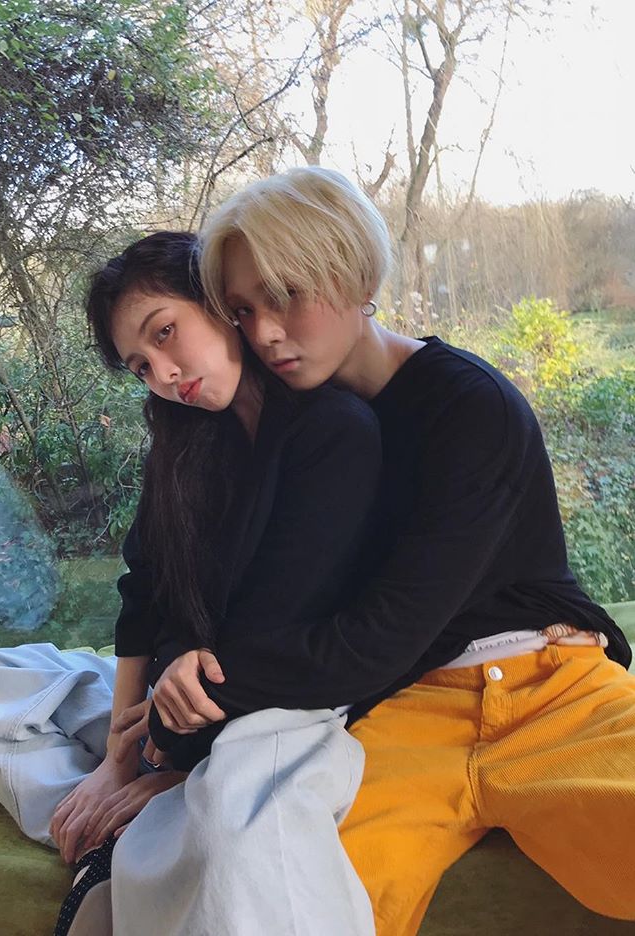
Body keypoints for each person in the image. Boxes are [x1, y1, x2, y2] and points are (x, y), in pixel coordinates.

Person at [114, 167, 635, 936]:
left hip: (548, 684)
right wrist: (178, 697)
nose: (264, 331)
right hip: (401, 712)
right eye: (244, 309)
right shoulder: (289, 426)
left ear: (357, 277)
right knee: (275, 897)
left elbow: (378, 636)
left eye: (287, 294)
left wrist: (185, 716)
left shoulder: (471, 405)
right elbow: (222, 583)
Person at [0, 230, 384, 936]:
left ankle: (144, 818)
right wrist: (120, 758)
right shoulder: (184, 445)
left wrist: (168, 758)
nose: (165, 373)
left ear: (220, 303)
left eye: (166, 332)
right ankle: (118, 807)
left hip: (266, 710)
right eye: (141, 365)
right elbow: (142, 589)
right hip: (163, 709)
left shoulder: (333, 432)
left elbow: (268, 641)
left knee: (233, 803)